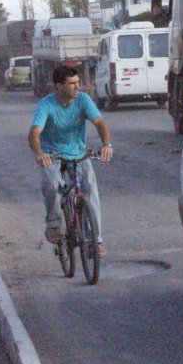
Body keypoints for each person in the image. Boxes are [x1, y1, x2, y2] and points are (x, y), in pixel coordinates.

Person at [28, 65, 113, 257]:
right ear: (59, 86)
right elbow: (34, 132)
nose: (77, 87)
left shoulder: (83, 100)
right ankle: (54, 225)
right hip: (52, 155)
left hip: (78, 153)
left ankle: (95, 241)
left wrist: (107, 144)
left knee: (90, 189)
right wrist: (40, 153)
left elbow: (99, 122)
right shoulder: (46, 104)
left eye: (78, 83)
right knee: (52, 184)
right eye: (72, 84)